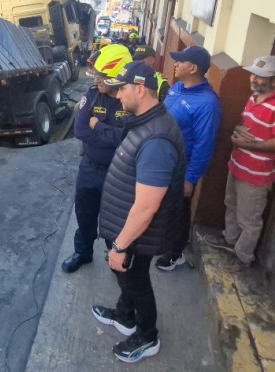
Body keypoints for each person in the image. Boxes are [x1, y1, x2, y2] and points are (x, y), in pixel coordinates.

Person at [92, 61, 186, 363]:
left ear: (140, 89)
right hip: (124, 226)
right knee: (127, 277)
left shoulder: (156, 140)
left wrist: (120, 245)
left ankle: (147, 336)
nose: (118, 95)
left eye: (122, 88)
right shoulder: (145, 123)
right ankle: (124, 316)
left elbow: (147, 206)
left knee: (136, 281)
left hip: (134, 235)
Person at [203, 55, 275, 272]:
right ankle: (230, 241)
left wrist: (247, 145)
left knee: (250, 220)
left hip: (256, 175)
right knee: (231, 205)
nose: (254, 79)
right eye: (254, 74)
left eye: (261, 76)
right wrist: (238, 130)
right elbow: (242, 124)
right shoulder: (254, 97)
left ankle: (243, 257)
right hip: (237, 165)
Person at [62, 44, 133, 273]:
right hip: (90, 169)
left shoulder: (130, 102)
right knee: (84, 213)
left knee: (116, 221)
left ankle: (114, 256)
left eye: (102, 76)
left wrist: (98, 127)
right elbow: (81, 131)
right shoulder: (92, 97)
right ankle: (82, 253)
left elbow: (129, 138)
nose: (97, 81)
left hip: (119, 173)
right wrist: (111, 134)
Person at [155, 46, 222, 271]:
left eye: (180, 62)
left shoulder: (207, 103)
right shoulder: (177, 88)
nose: (175, 64)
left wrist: (190, 178)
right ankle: (163, 241)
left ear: (193, 68)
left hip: (181, 168)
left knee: (179, 211)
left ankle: (176, 253)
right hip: (163, 160)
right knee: (163, 206)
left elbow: (205, 144)